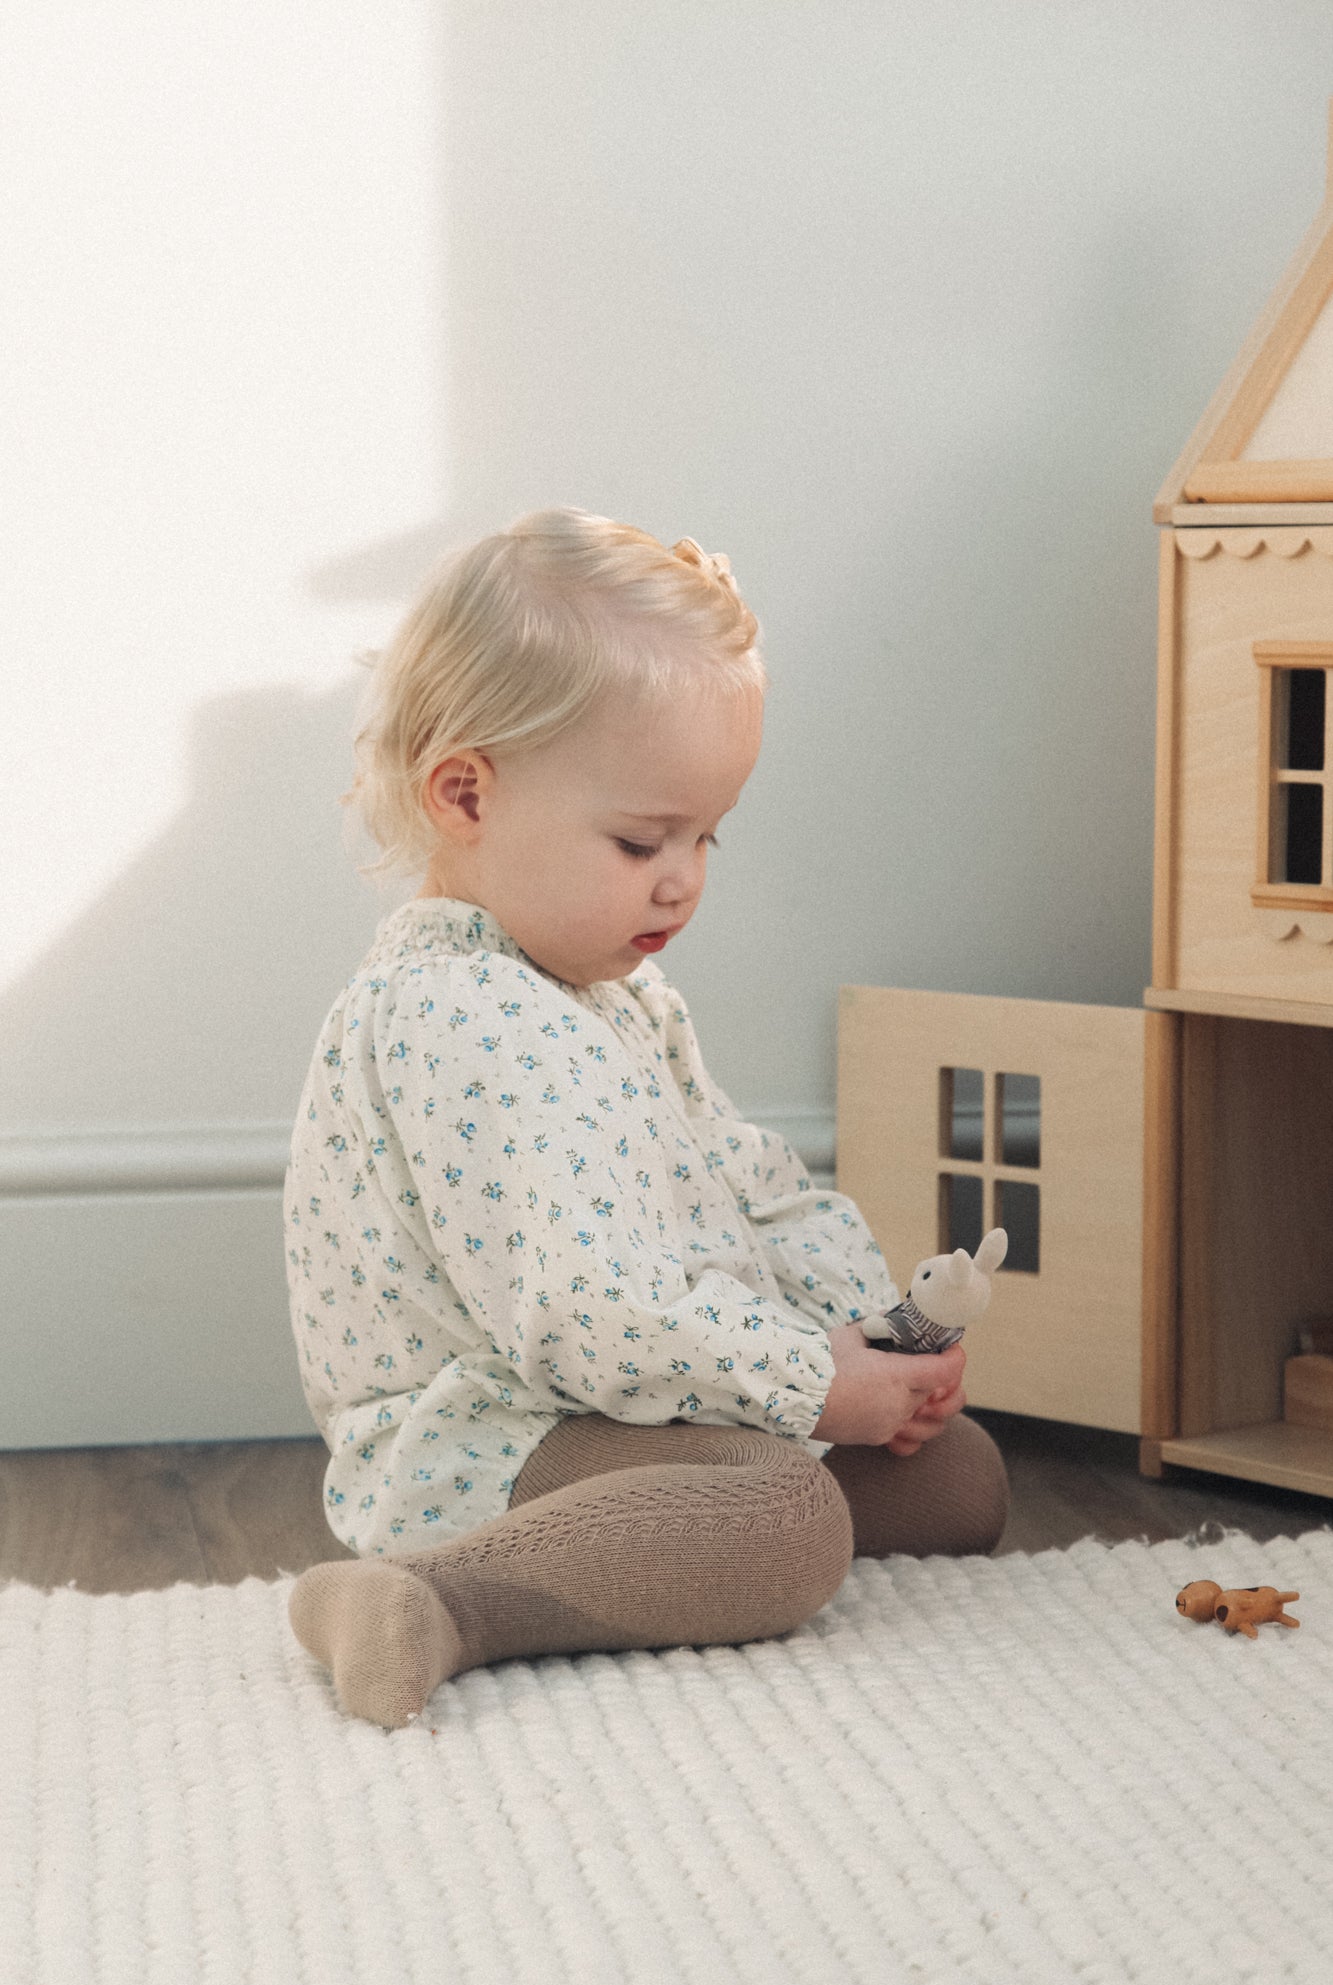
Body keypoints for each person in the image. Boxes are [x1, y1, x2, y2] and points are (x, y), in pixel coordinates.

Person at [285, 507, 1008, 1727]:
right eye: (640, 838)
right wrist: (798, 1379)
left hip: (636, 1389)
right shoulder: (460, 1013)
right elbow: (586, 1313)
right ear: (465, 792)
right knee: (787, 1523)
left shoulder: (614, 997)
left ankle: (661, 1522)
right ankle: (427, 1595)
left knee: (956, 1480)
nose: (685, 877)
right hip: (494, 1432)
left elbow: (753, 1183)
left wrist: (865, 1337)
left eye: (706, 832)